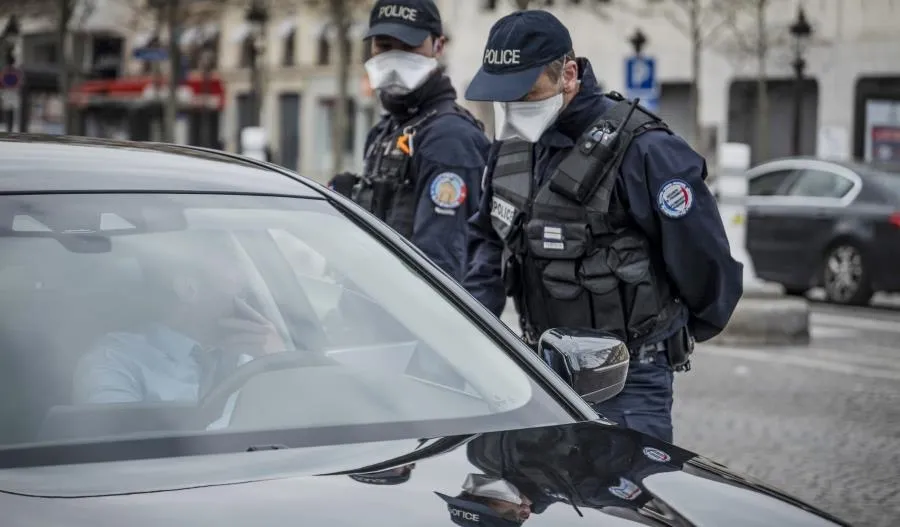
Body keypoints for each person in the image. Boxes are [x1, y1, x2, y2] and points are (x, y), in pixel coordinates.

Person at [463, 10, 743, 443]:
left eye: (525, 92)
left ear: (568, 74)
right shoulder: (512, 151)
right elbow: (487, 243)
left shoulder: (645, 150)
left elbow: (706, 263)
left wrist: (667, 338)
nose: (513, 109)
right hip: (540, 375)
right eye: (503, 97)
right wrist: (466, 333)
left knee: (621, 507)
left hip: (629, 382)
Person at [328, 0, 490, 281]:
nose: (394, 57)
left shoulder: (449, 138)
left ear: (438, 47)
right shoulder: (386, 130)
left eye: (408, 46)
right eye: (384, 45)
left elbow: (441, 268)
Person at [72, 233, 286, 424]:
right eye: (235, 280)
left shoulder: (255, 356)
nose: (245, 288)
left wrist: (281, 366)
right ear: (188, 289)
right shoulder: (115, 360)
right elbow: (115, 449)